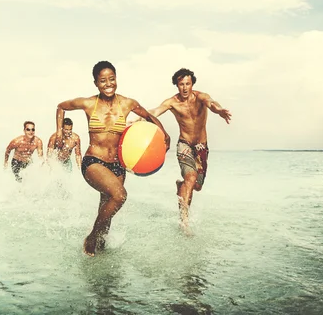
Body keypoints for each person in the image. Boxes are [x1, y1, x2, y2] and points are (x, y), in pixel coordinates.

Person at [56, 60, 170, 256]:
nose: (108, 84)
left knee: (107, 207)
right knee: (120, 196)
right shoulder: (88, 103)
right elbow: (61, 107)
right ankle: (91, 238)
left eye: (112, 79)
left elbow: (149, 117)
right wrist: (59, 132)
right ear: (96, 83)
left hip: (118, 165)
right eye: (103, 81)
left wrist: (163, 133)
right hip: (94, 162)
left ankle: (100, 250)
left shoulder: (127, 103)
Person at [145, 68, 231, 234]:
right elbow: (155, 111)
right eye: (181, 84)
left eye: (187, 84)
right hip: (184, 144)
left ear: (192, 84)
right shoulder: (172, 102)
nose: (184, 88)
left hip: (201, 147)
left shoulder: (200, 97)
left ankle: (181, 186)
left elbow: (211, 103)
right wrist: (139, 117)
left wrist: (219, 110)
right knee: (190, 178)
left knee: (196, 186)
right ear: (176, 85)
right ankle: (184, 222)